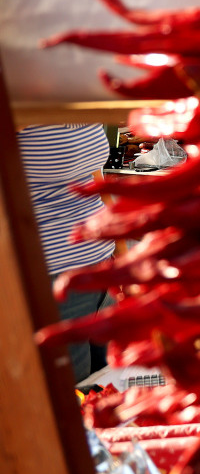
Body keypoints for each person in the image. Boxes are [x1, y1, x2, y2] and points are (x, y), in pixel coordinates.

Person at [18, 124, 116, 381]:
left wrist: (123, 251)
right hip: (55, 276)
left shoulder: (78, 107)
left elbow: (95, 178)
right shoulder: (19, 110)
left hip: (104, 266)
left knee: (111, 380)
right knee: (73, 386)